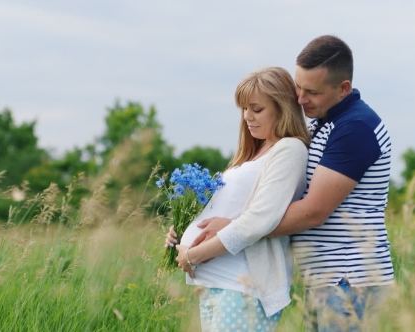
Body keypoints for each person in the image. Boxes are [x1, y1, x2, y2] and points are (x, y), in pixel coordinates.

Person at [183, 35, 395, 331]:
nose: (299, 98)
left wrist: (232, 227)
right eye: (298, 87)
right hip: (325, 279)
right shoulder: (322, 124)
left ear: (343, 88)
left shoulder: (355, 128)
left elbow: (313, 211)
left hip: (350, 278)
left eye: (312, 91)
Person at [165, 66, 310, 332]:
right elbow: (230, 208)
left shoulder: (289, 149)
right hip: (216, 284)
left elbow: (259, 220)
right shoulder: (251, 154)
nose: (247, 117)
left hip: (242, 286)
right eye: (244, 109)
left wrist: (194, 255)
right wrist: (182, 233)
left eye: (257, 109)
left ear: (282, 107)